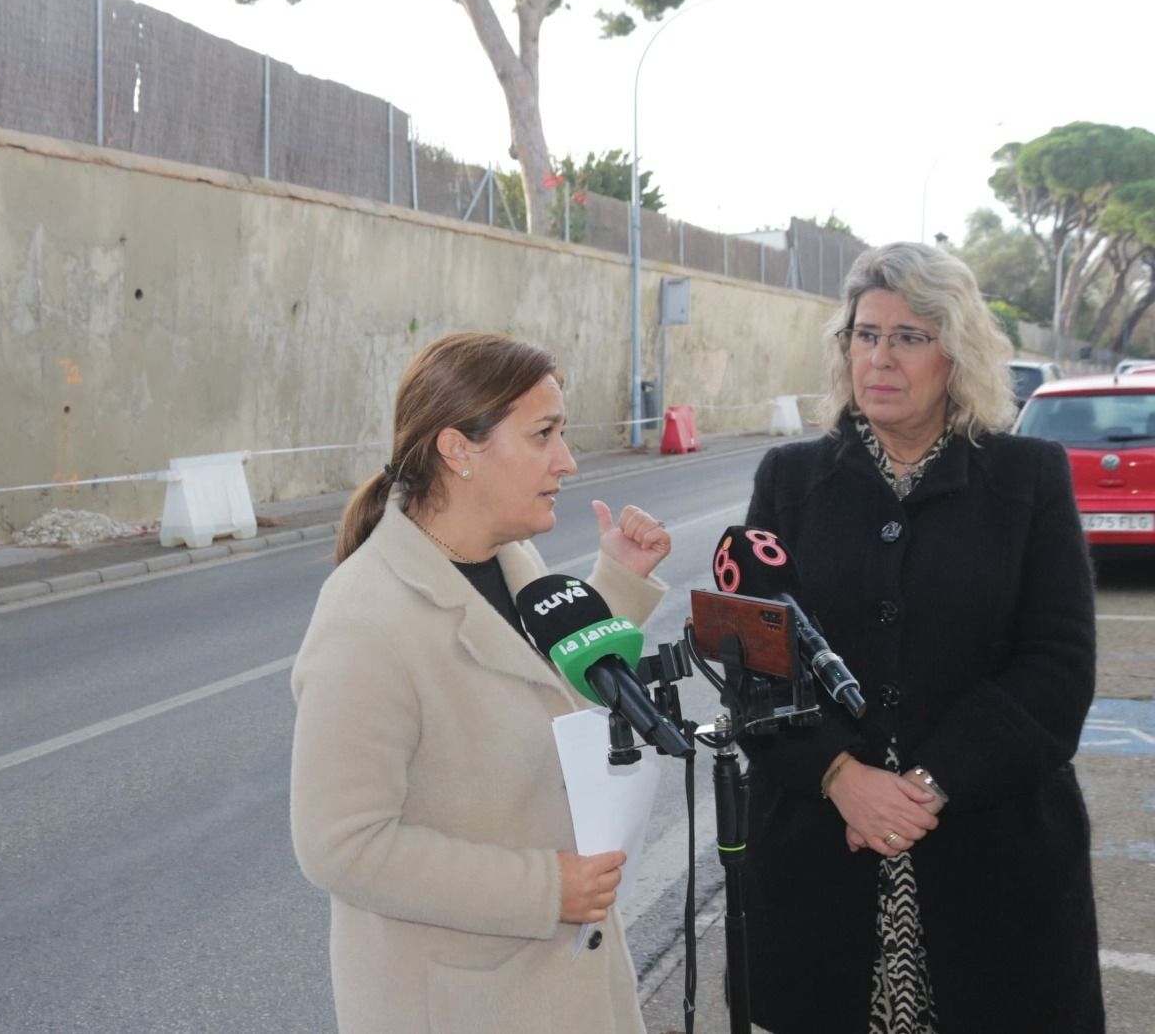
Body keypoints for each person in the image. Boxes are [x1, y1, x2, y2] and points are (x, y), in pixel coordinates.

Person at [741, 242, 1103, 1033]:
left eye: (909, 337)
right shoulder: (789, 482)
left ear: (957, 353)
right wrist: (839, 774)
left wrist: (928, 788)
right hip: (820, 861)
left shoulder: (1028, 478)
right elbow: (757, 661)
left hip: (995, 862)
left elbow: (1058, 667)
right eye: (865, 335)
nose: (881, 357)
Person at [289, 332, 672, 1034]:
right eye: (544, 434)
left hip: (562, 978)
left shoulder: (512, 560)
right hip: (462, 1003)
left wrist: (616, 580)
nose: (568, 459)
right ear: (459, 450)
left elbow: (540, 693)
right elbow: (340, 844)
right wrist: (546, 888)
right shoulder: (366, 619)